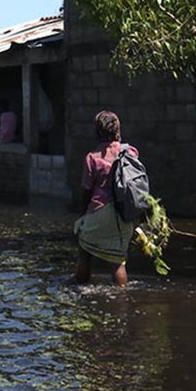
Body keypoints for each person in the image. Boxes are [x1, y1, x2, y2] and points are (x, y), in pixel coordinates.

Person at [73, 110, 139, 286]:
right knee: (117, 260)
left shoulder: (92, 158)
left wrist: (82, 217)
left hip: (99, 211)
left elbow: (86, 192)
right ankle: (121, 297)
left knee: (84, 253)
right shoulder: (130, 152)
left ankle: (79, 291)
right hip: (123, 215)